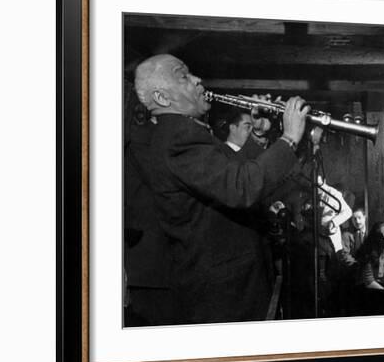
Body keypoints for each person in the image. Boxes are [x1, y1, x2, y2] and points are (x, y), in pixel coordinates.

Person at [129, 53, 310, 325]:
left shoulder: (188, 133)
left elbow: (235, 171)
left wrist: (260, 131)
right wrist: (289, 138)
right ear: (163, 98)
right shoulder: (177, 138)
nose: (197, 79)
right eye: (184, 76)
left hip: (231, 285)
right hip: (223, 294)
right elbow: (242, 186)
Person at [354, 222, 384, 315]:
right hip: (368, 290)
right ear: (375, 237)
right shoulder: (367, 252)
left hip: (383, 288)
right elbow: (369, 282)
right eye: (380, 235)